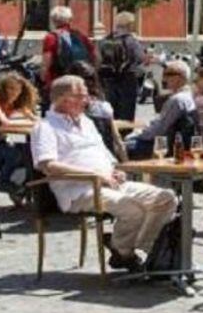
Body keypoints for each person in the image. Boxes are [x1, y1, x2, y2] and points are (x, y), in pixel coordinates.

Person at [31, 76, 178, 272]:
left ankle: (138, 247)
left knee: (166, 198)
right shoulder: (46, 127)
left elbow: (106, 155)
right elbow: (47, 165)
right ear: (64, 99)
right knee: (132, 209)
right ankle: (124, 252)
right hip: (80, 190)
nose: (88, 100)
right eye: (82, 96)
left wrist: (115, 170)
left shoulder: (86, 123)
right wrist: (95, 175)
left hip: (109, 183)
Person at [0, 73, 38, 193]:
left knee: (29, 147)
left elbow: (36, 120)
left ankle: (29, 183)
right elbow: (5, 123)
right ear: (3, 88)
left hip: (3, 138)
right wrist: (34, 125)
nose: (13, 92)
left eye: (17, 89)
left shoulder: (14, 103)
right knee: (16, 154)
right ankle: (3, 181)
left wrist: (35, 124)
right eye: (10, 88)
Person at [125, 60, 197, 159]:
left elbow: (159, 129)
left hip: (165, 147)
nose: (164, 78)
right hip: (175, 144)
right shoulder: (188, 96)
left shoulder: (177, 100)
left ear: (180, 77)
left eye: (168, 74)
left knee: (123, 146)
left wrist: (135, 135)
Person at [97, 12, 146, 122]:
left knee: (111, 110)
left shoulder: (105, 40)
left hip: (109, 80)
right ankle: (124, 135)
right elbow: (139, 58)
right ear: (130, 25)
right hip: (127, 79)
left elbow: (98, 59)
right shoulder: (131, 41)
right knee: (126, 113)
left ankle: (111, 133)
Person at [41, 6, 96, 91]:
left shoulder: (51, 37)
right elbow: (95, 55)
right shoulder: (80, 36)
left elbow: (46, 62)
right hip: (80, 79)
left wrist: (43, 78)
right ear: (70, 19)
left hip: (58, 80)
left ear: (53, 20)